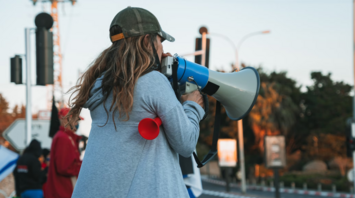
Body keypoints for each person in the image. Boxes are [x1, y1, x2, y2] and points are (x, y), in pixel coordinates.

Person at [67, 7, 204, 198]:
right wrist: (193, 106)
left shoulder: (99, 85)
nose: (162, 49)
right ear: (147, 40)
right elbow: (186, 143)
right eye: (160, 41)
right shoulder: (153, 82)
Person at [45, 108, 82, 198]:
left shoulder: (65, 137)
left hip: (64, 191)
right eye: (76, 120)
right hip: (64, 191)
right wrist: (84, 167)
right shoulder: (63, 138)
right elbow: (64, 167)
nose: (77, 124)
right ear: (66, 119)